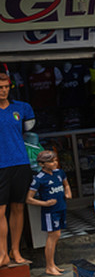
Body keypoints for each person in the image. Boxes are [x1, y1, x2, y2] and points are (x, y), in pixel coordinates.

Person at [0, 72, 35, 266]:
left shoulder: (22, 108)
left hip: (20, 163)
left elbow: (28, 130)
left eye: (6, 87)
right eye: (0, 88)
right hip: (0, 166)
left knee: (18, 208)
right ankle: (2, 253)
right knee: (0, 211)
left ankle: (15, 251)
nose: (3, 91)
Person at [26, 149, 71, 276]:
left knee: (57, 235)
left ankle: (52, 264)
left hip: (61, 207)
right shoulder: (39, 179)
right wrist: (44, 204)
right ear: (42, 164)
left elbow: (66, 185)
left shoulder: (59, 173)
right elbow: (29, 199)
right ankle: (49, 266)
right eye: (50, 162)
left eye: (55, 160)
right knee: (53, 236)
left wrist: (68, 192)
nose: (54, 163)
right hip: (50, 212)